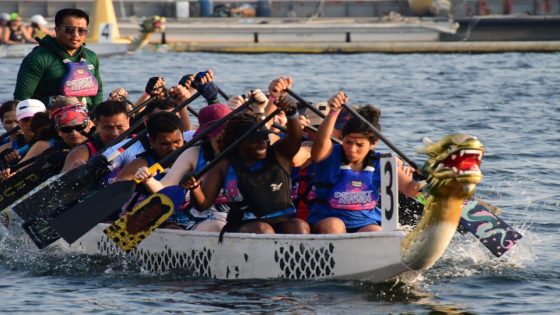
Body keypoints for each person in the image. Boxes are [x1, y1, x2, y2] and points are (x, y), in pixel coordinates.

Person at [181, 96, 309, 235]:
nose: (263, 143)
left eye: (265, 138)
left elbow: (295, 137)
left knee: (299, 226)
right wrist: (194, 188)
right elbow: (202, 204)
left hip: (282, 220)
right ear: (238, 142)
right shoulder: (223, 164)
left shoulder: (279, 153)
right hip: (244, 225)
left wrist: (291, 113)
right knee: (263, 230)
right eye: (255, 140)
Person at [307, 92, 422, 234]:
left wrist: (425, 180)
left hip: (366, 223)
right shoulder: (328, 155)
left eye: (359, 145)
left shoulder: (382, 163)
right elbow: (321, 141)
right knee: (334, 226)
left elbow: (411, 190)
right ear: (342, 138)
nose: (352, 149)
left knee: (375, 231)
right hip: (327, 222)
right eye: (348, 142)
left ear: (373, 144)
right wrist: (333, 112)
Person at [133, 103, 234, 232]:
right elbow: (164, 188)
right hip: (201, 215)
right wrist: (148, 180)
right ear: (209, 136)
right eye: (219, 135)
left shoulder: (245, 150)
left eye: (228, 132)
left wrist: (261, 106)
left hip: (237, 212)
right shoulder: (194, 153)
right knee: (217, 227)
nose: (225, 138)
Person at [13, 8, 103, 110]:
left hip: (86, 120)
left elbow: (98, 92)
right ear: (57, 30)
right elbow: (22, 99)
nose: (76, 35)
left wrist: (97, 119)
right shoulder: (38, 58)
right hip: (48, 120)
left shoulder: (91, 56)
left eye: (82, 30)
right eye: (69, 30)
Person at [61, 100, 129, 173]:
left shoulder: (140, 143)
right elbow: (58, 182)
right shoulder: (82, 153)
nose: (115, 133)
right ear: (96, 124)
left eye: (120, 127)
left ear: (128, 121)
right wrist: (72, 174)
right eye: (108, 128)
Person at [0, 99, 47, 164]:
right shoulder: (5, 148)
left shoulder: (54, 141)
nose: (30, 124)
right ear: (20, 123)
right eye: (25, 120)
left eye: (35, 119)